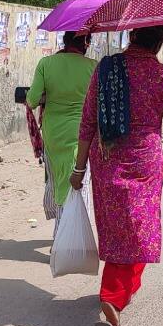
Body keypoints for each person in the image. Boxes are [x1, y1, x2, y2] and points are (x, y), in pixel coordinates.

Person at [70, 25, 163, 326]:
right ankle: (113, 296)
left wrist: (79, 170)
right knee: (140, 229)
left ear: (131, 36)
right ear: (160, 41)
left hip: (106, 159)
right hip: (143, 164)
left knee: (117, 227)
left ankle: (120, 291)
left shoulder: (105, 69)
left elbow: (87, 122)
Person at [26, 32, 96, 238]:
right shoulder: (94, 66)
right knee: (79, 181)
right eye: (88, 41)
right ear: (84, 42)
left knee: (58, 181)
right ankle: (72, 236)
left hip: (53, 134)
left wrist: (49, 95)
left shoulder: (46, 64)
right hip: (84, 134)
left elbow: (31, 100)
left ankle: (61, 235)